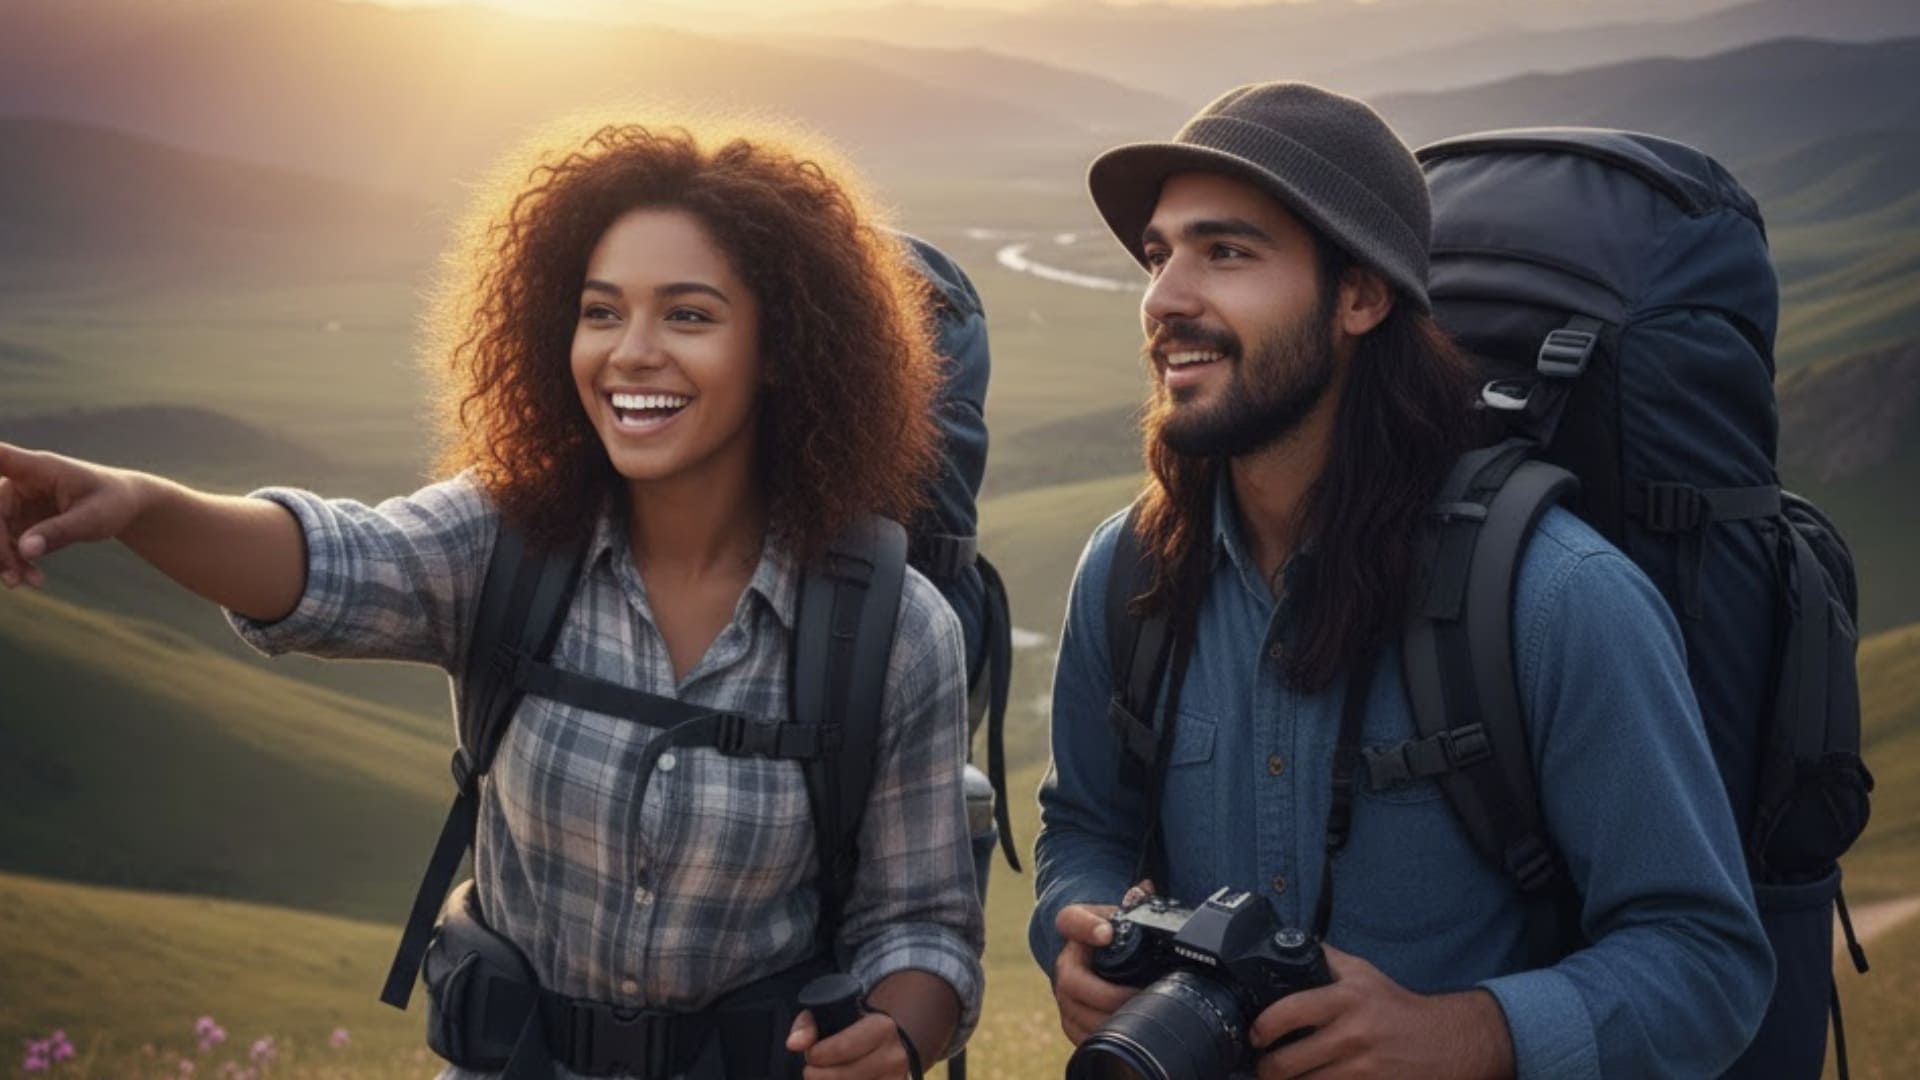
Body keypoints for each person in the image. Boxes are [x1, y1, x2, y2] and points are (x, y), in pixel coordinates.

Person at [0, 120, 983, 1079]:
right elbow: (329, 565)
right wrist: (136, 504)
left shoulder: (890, 631)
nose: (630, 351)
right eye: (601, 311)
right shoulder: (508, 539)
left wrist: (897, 1036)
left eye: (688, 314)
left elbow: (922, 924)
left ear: (781, 350)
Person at [1028, 83, 1773, 1078]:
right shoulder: (1126, 576)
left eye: (1227, 251)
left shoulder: (1556, 600)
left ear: (1362, 296)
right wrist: (1074, 933)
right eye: (1161, 255)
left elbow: (1709, 963)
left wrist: (1471, 1032)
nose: (1164, 297)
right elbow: (1084, 829)